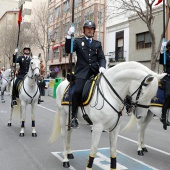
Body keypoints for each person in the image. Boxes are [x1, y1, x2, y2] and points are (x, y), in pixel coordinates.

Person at [65, 20, 106, 128]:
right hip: (82, 73)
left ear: (93, 31)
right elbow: (68, 50)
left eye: (91, 29)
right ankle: (73, 117)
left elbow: (101, 57)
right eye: (87, 29)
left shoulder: (97, 44)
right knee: (77, 91)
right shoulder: (78, 41)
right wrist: (69, 37)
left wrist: (102, 66)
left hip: (95, 72)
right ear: (84, 30)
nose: (89, 30)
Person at [159, 39, 170, 130]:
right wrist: (162, 50)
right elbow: (161, 61)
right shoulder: (166, 56)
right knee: (168, 95)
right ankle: (163, 117)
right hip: (167, 78)